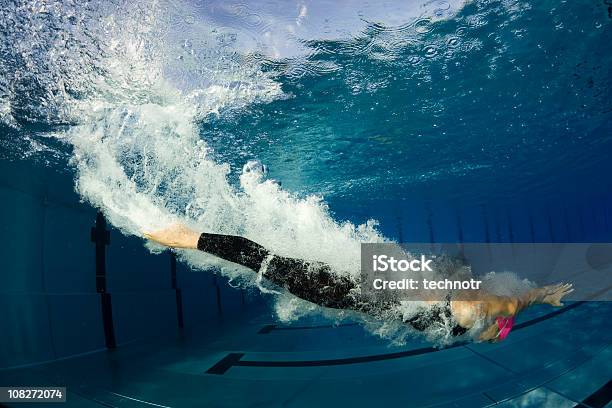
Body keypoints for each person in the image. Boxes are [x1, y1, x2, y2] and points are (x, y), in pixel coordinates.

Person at [143, 224, 574, 342]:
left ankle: (194, 238)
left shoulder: (467, 310)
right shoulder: (466, 306)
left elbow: (517, 303)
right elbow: (518, 301)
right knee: (278, 267)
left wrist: (532, 303)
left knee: (289, 273)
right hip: (368, 290)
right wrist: (534, 299)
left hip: (378, 297)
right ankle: (190, 236)